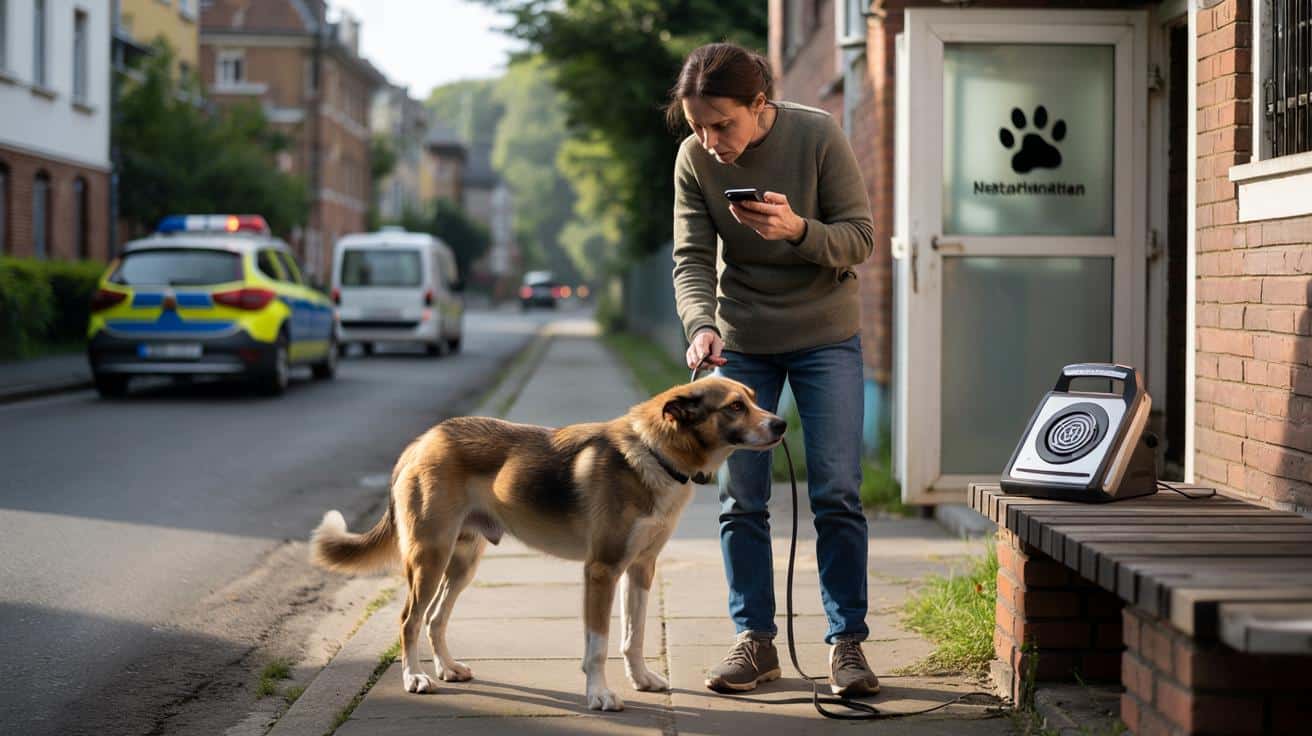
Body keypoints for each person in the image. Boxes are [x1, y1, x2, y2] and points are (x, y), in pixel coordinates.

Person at [667, 42, 879, 697]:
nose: (709, 138)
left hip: (826, 335)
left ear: (761, 106)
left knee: (837, 492)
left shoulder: (817, 133)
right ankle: (755, 642)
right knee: (740, 498)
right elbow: (692, 258)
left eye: (722, 123)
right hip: (742, 344)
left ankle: (847, 645)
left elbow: (860, 238)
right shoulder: (693, 158)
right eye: (696, 124)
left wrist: (795, 229)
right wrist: (701, 325)